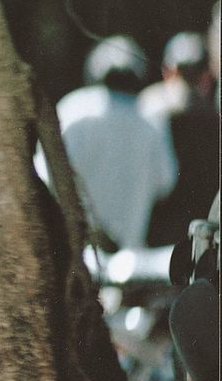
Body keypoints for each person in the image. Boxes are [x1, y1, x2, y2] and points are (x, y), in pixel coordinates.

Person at [35, 35, 177, 250]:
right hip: (128, 261)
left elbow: (45, 174)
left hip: (77, 251)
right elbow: (165, 183)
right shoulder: (150, 120)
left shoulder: (75, 108)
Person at [140, 31, 220, 247]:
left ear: (169, 72)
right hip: (200, 233)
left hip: (154, 230)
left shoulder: (148, 106)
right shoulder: (215, 115)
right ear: (207, 76)